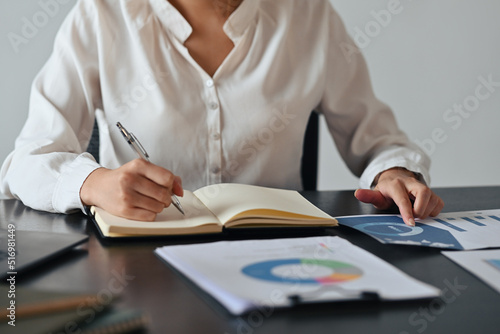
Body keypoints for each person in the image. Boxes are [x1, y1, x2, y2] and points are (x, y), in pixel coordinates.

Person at [0, 0, 443, 225]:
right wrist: (94, 183)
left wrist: (394, 172)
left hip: (279, 261)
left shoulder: (309, 15)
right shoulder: (103, 15)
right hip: (138, 263)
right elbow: (28, 161)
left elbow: (380, 142)